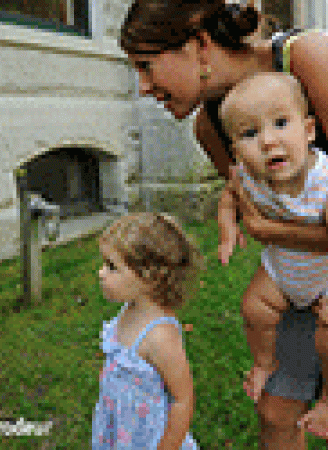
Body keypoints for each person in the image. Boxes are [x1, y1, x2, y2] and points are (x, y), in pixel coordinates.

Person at [119, 1, 328, 447]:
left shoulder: (308, 59)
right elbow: (256, 207)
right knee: (276, 414)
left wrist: (270, 233)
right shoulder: (211, 128)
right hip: (306, 278)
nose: (143, 87)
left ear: (198, 46)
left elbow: (266, 226)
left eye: (146, 65)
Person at [218, 68, 328, 433]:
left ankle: (327, 400)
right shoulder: (247, 176)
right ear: (237, 150)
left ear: (309, 131)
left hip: (324, 276)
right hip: (282, 273)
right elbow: (228, 198)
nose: (268, 141)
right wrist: (227, 230)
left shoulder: (324, 181)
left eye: (281, 123)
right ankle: (264, 363)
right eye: (251, 133)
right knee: (253, 307)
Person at [92, 213, 204, 449]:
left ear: (150, 276)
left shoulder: (160, 336)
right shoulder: (128, 309)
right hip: (120, 428)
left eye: (112, 267)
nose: (101, 273)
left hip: (148, 439)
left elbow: (183, 399)